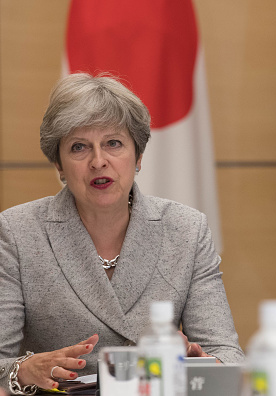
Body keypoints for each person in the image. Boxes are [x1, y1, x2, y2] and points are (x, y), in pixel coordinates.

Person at [0, 73, 244, 394]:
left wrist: (201, 361)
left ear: (138, 156)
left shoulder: (186, 229)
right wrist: (25, 369)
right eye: (79, 147)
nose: (99, 161)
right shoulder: (17, 232)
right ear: (59, 165)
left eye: (113, 143)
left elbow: (228, 356)